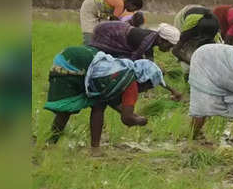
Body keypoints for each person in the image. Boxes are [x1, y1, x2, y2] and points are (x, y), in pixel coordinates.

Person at [44, 46, 181, 156]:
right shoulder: (130, 84)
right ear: (144, 81)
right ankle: (93, 149)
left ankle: (51, 144)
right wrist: (141, 120)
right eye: (148, 87)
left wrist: (134, 114)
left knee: (93, 105)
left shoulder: (123, 69)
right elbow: (126, 118)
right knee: (83, 108)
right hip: (73, 65)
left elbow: (112, 100)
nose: (145, 91)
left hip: (73, 56)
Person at [90, 21, 180, 62]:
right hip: (108, 32)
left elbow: (149, 57)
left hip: (118, 28)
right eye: (169, 46)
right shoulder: (144, 40)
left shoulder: (151, 38)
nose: (168, 50)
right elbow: (134, 60)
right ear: (162, 40)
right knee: (99, 57)